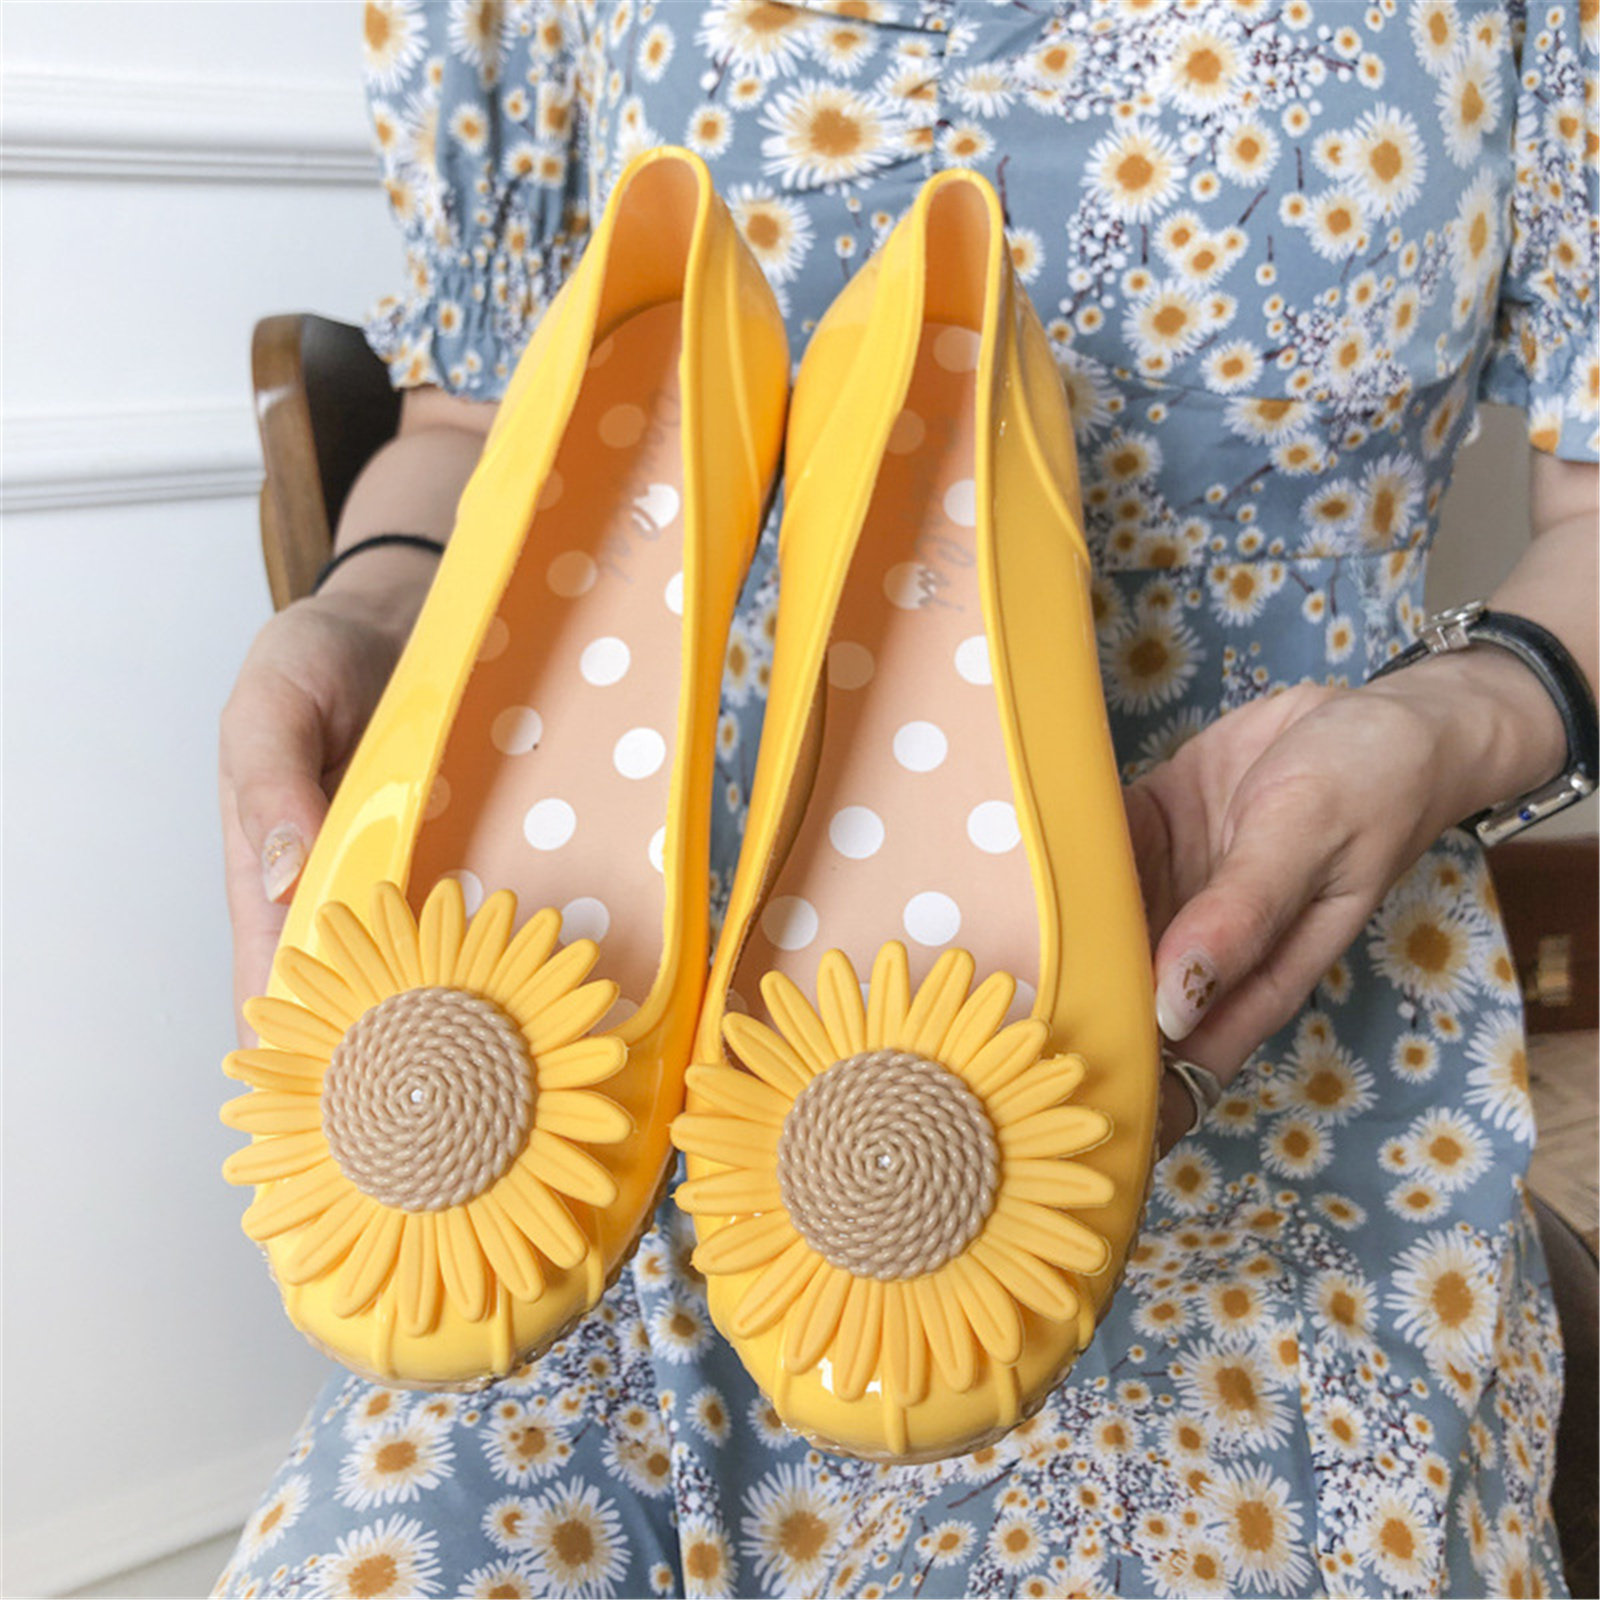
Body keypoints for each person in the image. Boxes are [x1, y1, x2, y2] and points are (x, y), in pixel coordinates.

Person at [215, 2, 1598, 1595]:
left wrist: (1450, 719)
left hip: (1282, 967)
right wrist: (364, 605)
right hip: (639, 952)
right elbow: (470, 421)